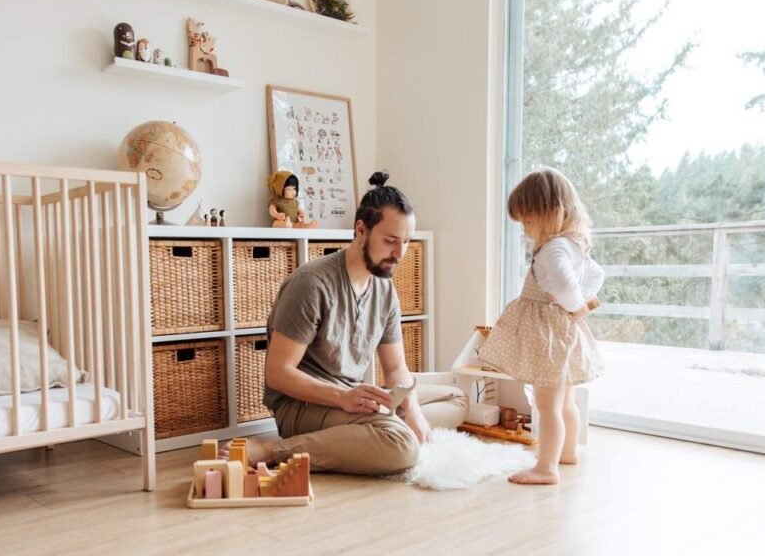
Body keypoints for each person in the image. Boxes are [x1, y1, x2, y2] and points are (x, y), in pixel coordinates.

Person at [235, 172, 467, 475]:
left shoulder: (384, 289)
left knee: (456, 397)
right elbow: (278, 374)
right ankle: (271, 451)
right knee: (402, 446)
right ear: (361, 230)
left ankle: (376, 429)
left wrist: (412, 412)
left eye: (407, 242)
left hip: (352, 395)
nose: (400, 254)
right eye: (390, 241)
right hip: (303, 406)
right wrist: (343, 398)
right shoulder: (312, 284)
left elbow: (395, 369)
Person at [479, 167, 605, 485]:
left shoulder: (554, 248)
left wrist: (576, 304)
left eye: (528, 220)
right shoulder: (575, 245)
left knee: (546, 404)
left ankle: (546, 467)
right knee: (565, 401)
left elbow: (563, 283)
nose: (525, 228)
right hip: (564, 331)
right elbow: (597, 275)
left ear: (552, 212)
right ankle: (568, 452)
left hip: (549, 334)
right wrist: (583, 303)